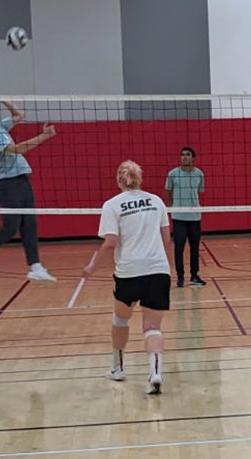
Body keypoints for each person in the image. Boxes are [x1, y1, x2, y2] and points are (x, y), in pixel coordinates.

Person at [82, 161, 172, 395]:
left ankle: (118, 368)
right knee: (152, 327)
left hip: (129, 272)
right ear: (140, 178)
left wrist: (92, 265)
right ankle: (155, 373)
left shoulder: (112, 205)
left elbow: (110, 242)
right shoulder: (156, 201)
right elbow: (166, 239)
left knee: (120, 319)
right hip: (158, 270)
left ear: (119, 180)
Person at [0, 100, 57, 283]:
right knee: (10, 227)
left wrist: (7, 101)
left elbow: (18, 116)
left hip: (22, 178)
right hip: (8, 184)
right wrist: (45, 136)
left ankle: (36, 267)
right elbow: (18, 149)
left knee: (29, 224)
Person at [165, 146, 206, 288]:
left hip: (195, 217)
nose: (185, 157)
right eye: (182, 155)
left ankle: (194, 275)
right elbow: (168, 191)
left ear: (193, 158)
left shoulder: (199, 174)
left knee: (195, 248)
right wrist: (174, 207)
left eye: (188, 155)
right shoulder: (173, 174)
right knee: (179, 248)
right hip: (179, 217)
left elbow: (199, 191)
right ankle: (180, 277)